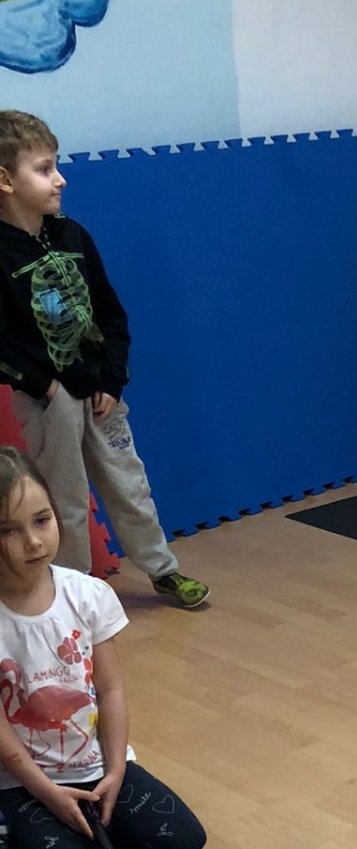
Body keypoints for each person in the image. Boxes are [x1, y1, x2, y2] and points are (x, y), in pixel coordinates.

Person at [0, 110, 210, 608]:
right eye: (44, 169)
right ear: (5, 180)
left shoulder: (73, 236)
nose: (60, 178)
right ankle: (75, 596)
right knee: (64, 500)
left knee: (128, 483)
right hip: (48, 401)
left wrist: (112, 378)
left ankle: (162, 568)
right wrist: (43, 385)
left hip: (99, 394)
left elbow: (110, 312)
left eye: (56, 165)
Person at [0, 448, 206, 849]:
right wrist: (47, 793)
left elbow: (110, 690)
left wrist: (114, 770)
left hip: (94, 765)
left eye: (42, 520)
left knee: (183, 841)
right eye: (8, 530)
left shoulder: (87, 594)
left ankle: (89, 815)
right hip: (23, 781)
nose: (33, 541)